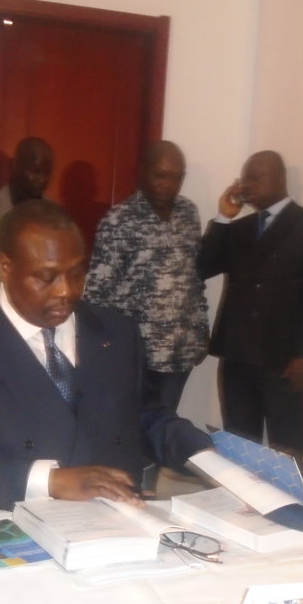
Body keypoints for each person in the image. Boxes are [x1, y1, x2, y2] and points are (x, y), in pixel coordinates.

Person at [0, 199, 212, 510]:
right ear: (6, 267)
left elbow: (145, 415)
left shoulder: (116, 331)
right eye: (47, 278)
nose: (66, 291)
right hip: (10, 520)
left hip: (117, 520)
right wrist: (50, 481)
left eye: (76, 273)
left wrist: (208, 456)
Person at [197, 150, 303, 469]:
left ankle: (292, 502)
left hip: (284, 360)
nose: (247, 185)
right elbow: (203, 267)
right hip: (237, 357)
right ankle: (242, 502)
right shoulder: (239, 228)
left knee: (286, 448)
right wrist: (224, 218)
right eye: (244, 178)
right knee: (239, 447)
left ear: (280, 178)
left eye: (255, 177)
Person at [83, 141, 208, 411]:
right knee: (132, 426)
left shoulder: (189, 214)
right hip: (134, 354)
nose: (167, 184)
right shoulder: (118, 220)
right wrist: (103, 349)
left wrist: (200, 331)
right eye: (160, 175)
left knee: (165, 424)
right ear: (142, 173)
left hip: (179, 350)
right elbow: (97, 293)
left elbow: (195, 278)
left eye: (176, 178)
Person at [0, 137, 54, 259]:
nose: (42, 179)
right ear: (14, 165)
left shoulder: (54, 214)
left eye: (46, 173)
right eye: (34, 172)